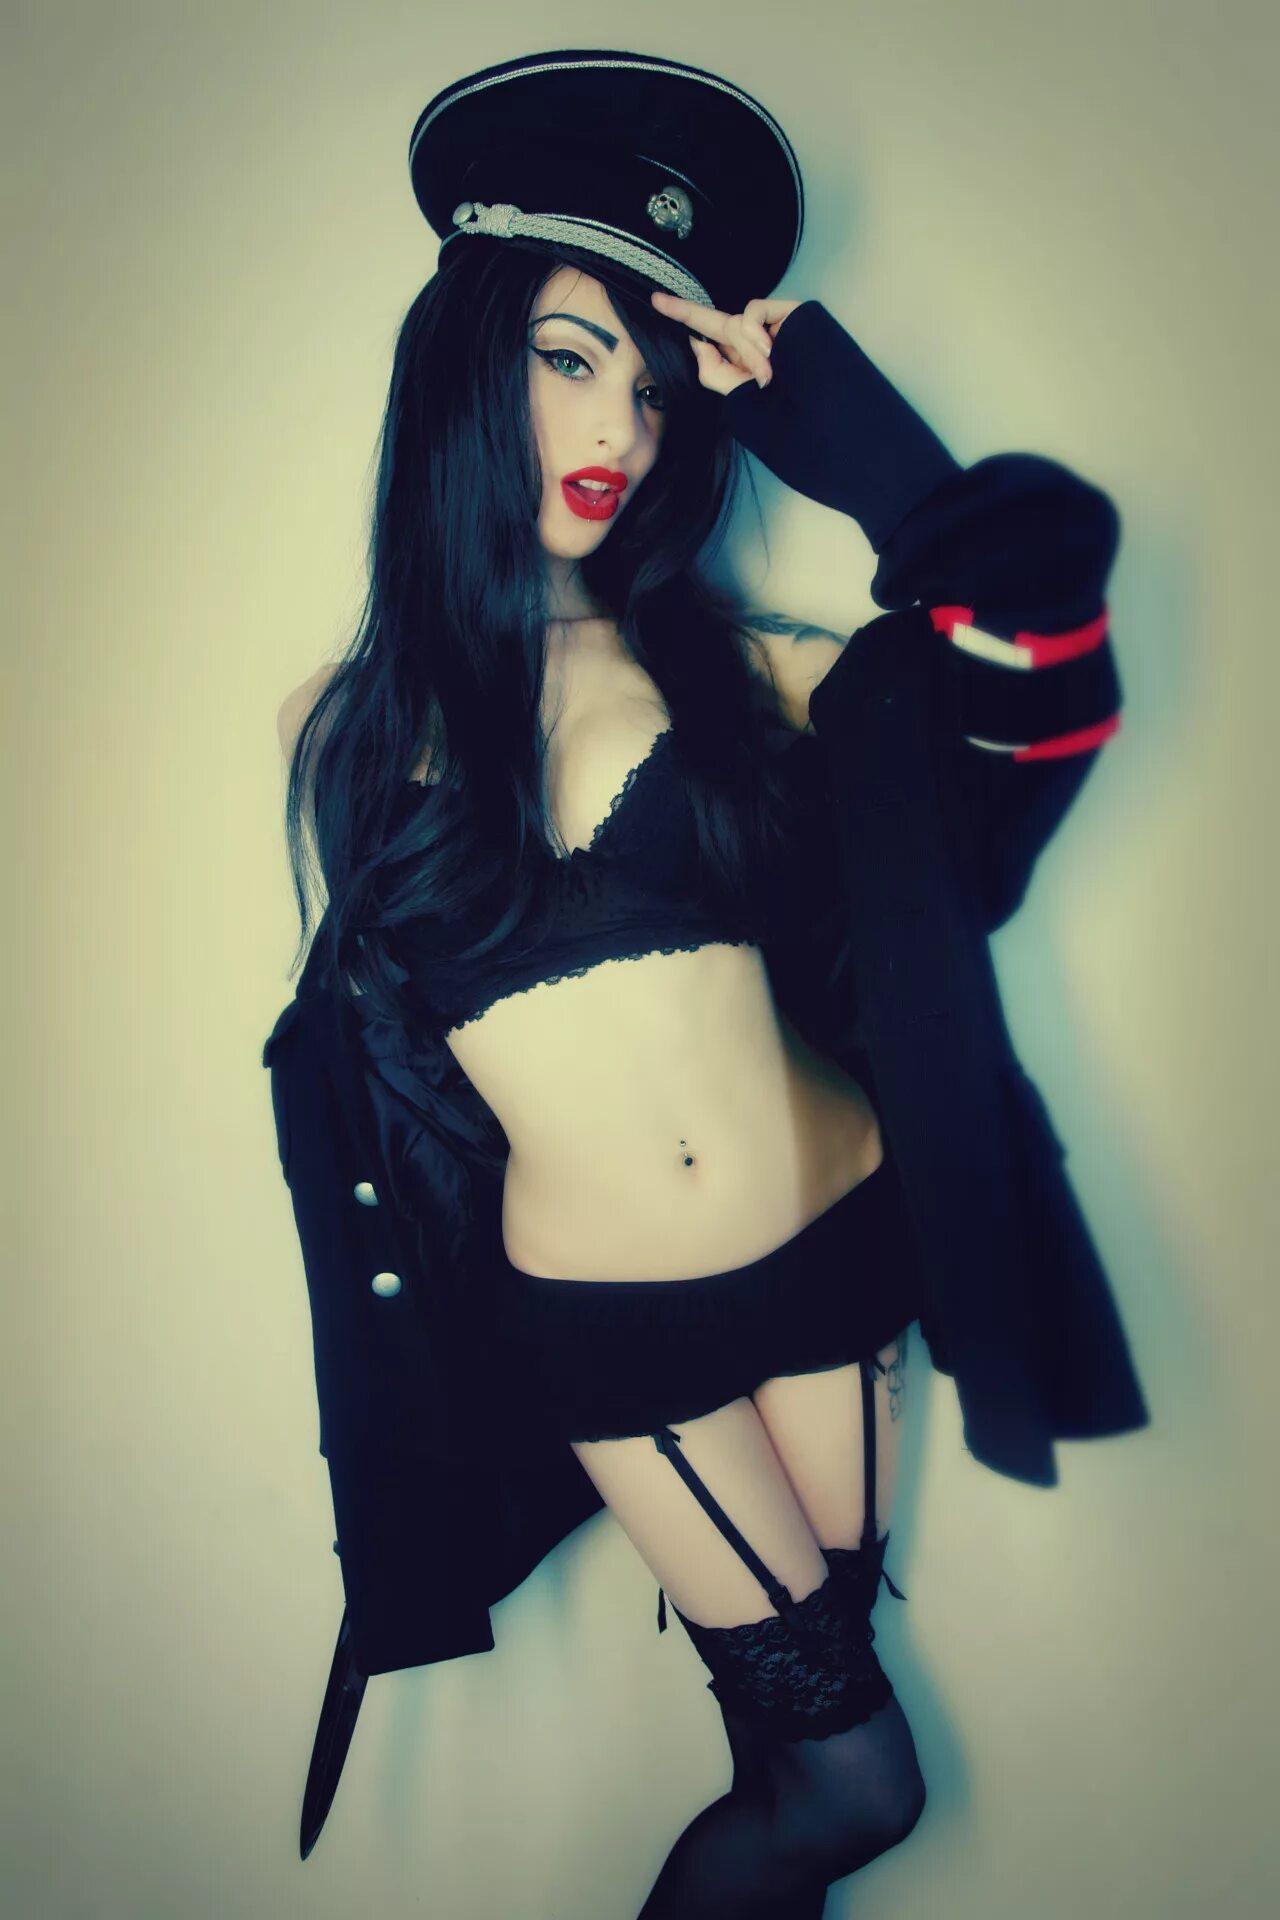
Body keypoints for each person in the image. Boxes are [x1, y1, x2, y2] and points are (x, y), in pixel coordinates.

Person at [273, 45, 1148, 1912]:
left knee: (792, 1772)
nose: (624, 425)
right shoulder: (344, 732)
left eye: (656, 390)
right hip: (618, 1329)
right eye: (571, 358)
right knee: (856, 1787)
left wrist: (836, 423)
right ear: (465, 363)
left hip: (847, 1247)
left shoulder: (750, 669)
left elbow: (1046, 662)